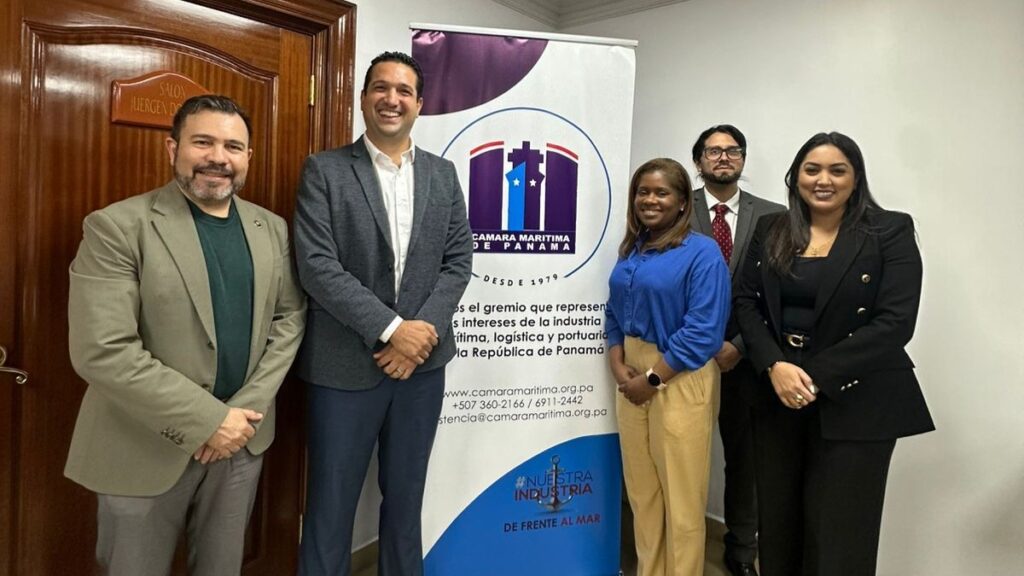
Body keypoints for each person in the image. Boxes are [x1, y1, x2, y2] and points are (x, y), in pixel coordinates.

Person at [65, 94, 307, 575]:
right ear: (172, 148)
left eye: (232, 146)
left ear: (248, 157)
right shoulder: (117, 227)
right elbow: (103, 350)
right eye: (203, 142)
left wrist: (238, 419)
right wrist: (208, 420)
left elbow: (289, 320)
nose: (218, 157)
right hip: (142, 446)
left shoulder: (272, 229)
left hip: (242, 442)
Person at [293, 51, 473, 576]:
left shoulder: (443, 174)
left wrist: (419, 339)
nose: (391, 99)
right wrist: (393, 330)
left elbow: (458, 262)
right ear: (363, 98)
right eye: (380, 88)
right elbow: (317, 266)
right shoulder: (325, 170)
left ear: (419, 104)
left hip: (422, 369)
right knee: (330, 508)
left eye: (403, 90)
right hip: (343, 368)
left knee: (406, 502)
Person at [732, 132, 934, 576]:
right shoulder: (772, 228)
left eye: (837, 170)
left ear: (855, 178)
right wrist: (774, 365)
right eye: (812, 170)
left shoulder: (890, 230)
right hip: (777, 395)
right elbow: (745, 301)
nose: (823, 180)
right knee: (779, 524)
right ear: (796, 177)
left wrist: (814, 376)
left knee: (840, 533)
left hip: (857, 398)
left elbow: (896, 321)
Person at [606, 158, 731, 576]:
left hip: (679, 375)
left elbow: (704, 331)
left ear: (682, 202)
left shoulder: (702, 252)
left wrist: (654, 378)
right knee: (642, 493)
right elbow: (614, 309)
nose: (650, 200)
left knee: (682, 498)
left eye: (662, 192)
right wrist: (616, 359)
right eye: (643, 192)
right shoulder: (633, 248)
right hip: (631, 374)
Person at [691, 125, 784, 576]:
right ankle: (678, 544)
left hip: (744, 361)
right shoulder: (674, 205)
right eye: (714, 151)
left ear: (743, 159)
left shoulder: (774, 216)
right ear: (699, 160)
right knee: (681, 456)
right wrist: (701, 343)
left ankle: (742, 549)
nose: (724, 157)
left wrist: (741, 347)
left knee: (745, 461)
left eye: (733, 150)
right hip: (684, 357)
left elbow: (778, 294)